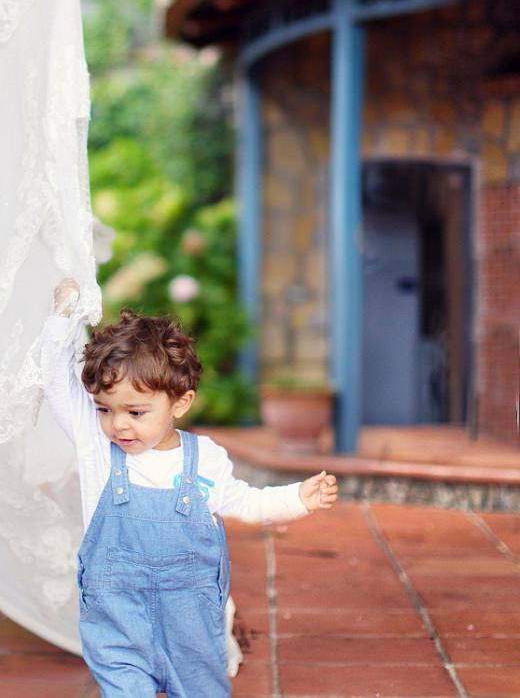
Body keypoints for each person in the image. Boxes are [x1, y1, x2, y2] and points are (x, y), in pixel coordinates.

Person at [42, 278, 338, 698]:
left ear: (180, 402)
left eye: (136, 411)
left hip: (191, 628)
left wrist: (296, 498)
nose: (118, 424)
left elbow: (244, 502)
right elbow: (55, 380)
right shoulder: (96, 446)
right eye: (105, 410)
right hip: (118, 620)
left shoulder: (205, 459)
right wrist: (62, 318)